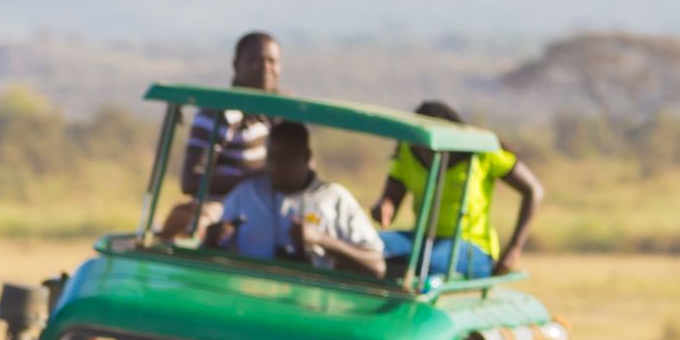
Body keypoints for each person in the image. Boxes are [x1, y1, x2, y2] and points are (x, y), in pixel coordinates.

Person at [166, 118, 385, 277]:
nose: (274, 168)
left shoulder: (334, 199)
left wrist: (321, 240)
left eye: (285, 160)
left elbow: (377, 267)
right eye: (271, 158)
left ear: (306, 158)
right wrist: (213, 239)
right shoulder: (246, 193)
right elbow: (209, 257)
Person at [378, 98, 544, 281]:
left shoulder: (480, 152)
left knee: (430, 264)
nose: (423, 152)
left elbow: (533, 190)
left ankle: (396, 273)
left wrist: (514, 248)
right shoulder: (407, 152)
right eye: (418, 146)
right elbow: (390, 200)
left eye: (427, 147)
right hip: (421, 240)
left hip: (470, 245)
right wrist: (385, 207)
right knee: (366, 244)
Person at [181, 32, 280, 201]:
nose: (265, 68)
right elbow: (191, 181)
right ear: (236, 65)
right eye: (255, 61)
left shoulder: (275, 115)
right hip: (223, 212)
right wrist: (258, 180)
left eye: (272, 61)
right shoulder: (218, 114)